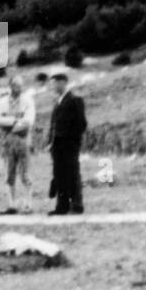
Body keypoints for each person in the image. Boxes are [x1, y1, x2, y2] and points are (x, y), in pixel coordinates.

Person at [0, 74, 35, 213]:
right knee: (9, 174)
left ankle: (28, 204)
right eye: (16, 85)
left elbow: (29, 121)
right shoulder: (2, 102)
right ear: (10, 86)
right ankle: (11, 205)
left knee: (25, 174)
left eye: (21, 85)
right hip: (7, 143)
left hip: (22, 142)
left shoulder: (27, 101)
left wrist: (9, 123)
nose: (19, 88)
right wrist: (14, 121)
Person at [47, 67, 87, 215]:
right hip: (57, 146)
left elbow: (81, 123)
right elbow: (53, 124)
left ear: (63, 83)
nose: (52, 86)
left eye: (55, 82)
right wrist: (50, 142)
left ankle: (77, 204)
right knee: (59, 175)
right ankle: (62, 206)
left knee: (72, 173)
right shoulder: (57, 102)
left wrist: (71, 141)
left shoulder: (75, 100)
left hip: (69, 145)